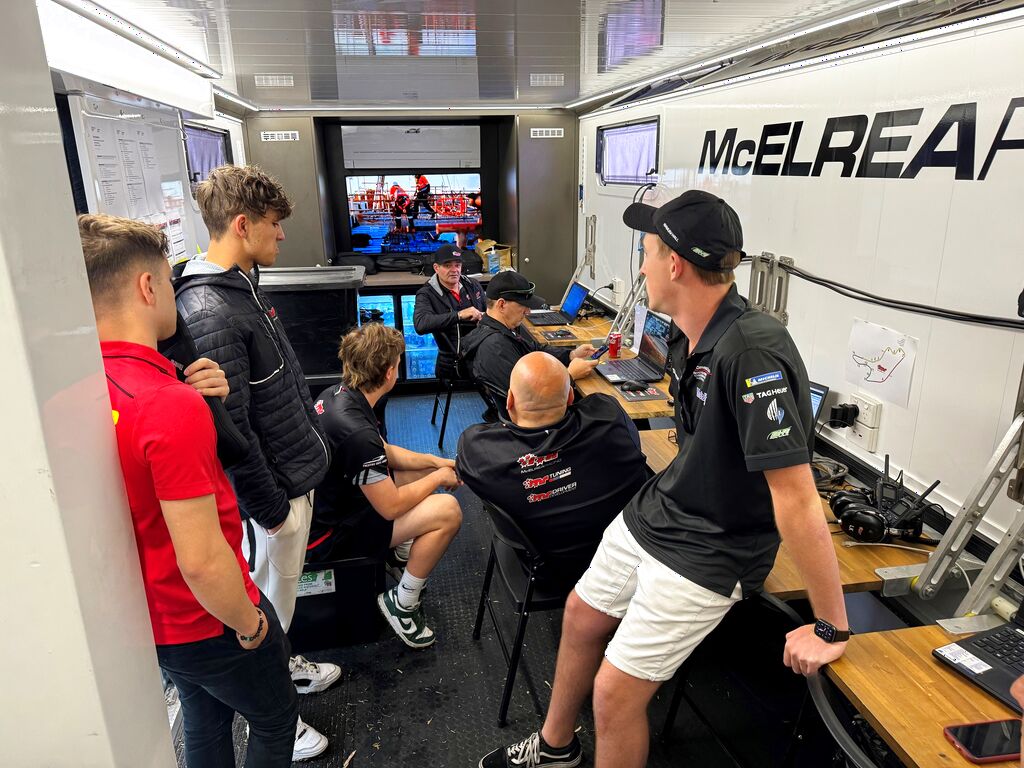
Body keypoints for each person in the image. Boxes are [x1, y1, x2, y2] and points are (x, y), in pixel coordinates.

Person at [479, 190, 849, 768]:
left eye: (646, 253)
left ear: (674, 264)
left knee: (613, 694)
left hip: (714, 547)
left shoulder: (752, 352)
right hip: (663, 512)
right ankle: (555, 749)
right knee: (580, 615)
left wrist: (830, 625)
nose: (641, 267)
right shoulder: (685, 332)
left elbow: (797, 498)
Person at [79, 213, 309, 766]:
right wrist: (251, 624)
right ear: (147, 286)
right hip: (208, 617)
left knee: (204, 720)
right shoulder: (165, 404)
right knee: (276, 721)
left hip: (151, 618)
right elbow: (203, 562)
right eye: (167, 279)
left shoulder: (89, 388)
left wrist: (205, 404)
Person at [175, 164, 338, 758]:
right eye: (274, 224)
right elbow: (231, 432)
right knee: (260, 609)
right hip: (271, 502)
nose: (283, 234)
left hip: (291, 481)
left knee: (281, 605)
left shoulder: (242, 288)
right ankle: (276, 716)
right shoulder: (209, 311)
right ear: (242, 225)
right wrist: (272, 512)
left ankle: (284, 665)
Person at [308, 322, 463, 649]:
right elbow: (390, 507)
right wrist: (438, 478)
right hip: (331, 537)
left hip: (332, 505)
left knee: (415, 474)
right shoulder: (357, 433)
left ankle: (399, 549)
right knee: (448, 511)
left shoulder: (339, 395)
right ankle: (402, 604)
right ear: (390, 372)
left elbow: (385, 452)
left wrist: (435, 462)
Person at [457, 352, 648, 588]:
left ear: (509, 400)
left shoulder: (480, 452)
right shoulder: (610, 418)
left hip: (548, 574)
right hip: (621, 564)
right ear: (570, 397)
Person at [461, 271, 600, 398]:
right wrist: (570, 375)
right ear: (502, 305)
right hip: (536, 414)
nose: (528, 311)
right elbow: (528, 398)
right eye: (523, 305)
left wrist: (571, 355)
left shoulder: (497, 330)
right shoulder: (495, 347)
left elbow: (532, 349)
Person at [412, 243, 486, 380]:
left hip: (480, 356)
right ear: (436, 268)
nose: (454, 270)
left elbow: (489, 312)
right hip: (452, 363)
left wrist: (485, 317)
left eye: (457, 265)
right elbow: (420, 324)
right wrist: (459, 315)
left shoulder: (473, 285)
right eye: (447, 266)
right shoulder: (426, 293)